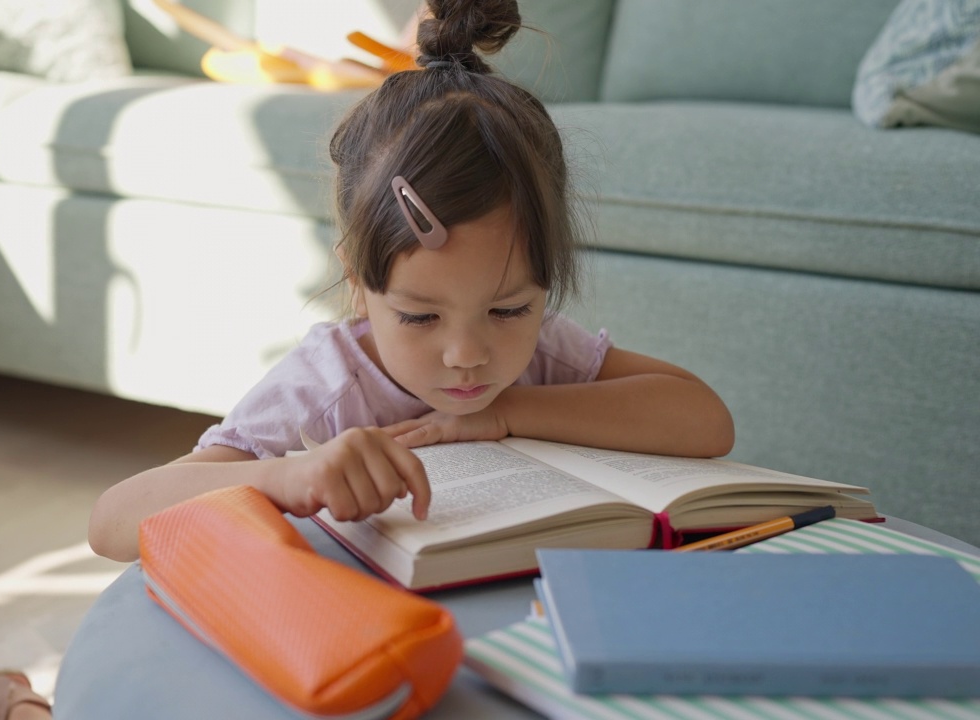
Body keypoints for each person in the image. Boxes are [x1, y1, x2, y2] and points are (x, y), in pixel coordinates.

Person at [89, 0, 735, 564]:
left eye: (510, 309)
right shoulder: (326, 387)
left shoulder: (543, 357)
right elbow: (112, 523)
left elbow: (706, 421)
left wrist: (507, 412)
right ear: (357, 278)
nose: (468, 355)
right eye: (421, 317)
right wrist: (286, 475)